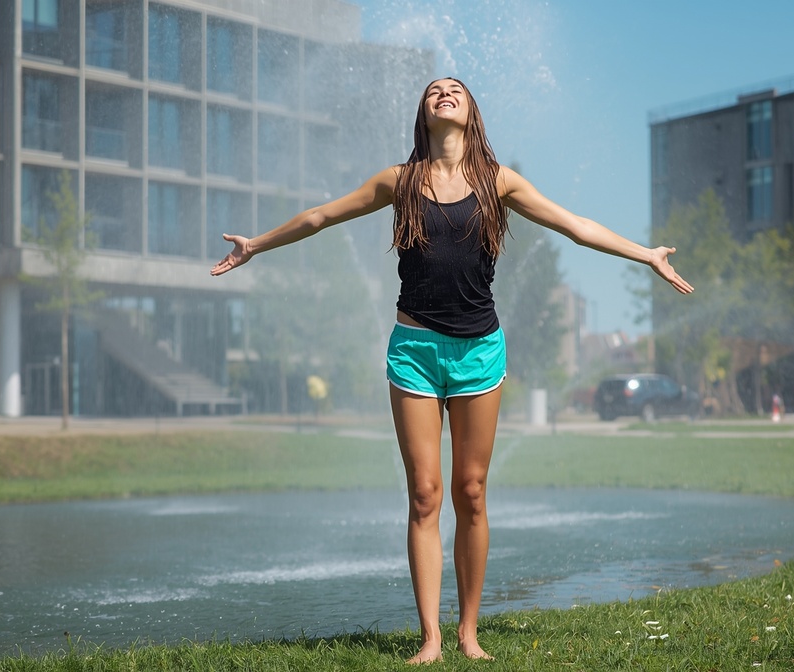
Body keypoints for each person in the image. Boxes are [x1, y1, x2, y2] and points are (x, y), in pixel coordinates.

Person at [210, 77, 694, 664]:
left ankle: (468, 631)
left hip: (479, 352)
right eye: (434, 89)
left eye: (455, 89)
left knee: (471, 491)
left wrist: (645, 254)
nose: (444, 93)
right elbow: (319, 217)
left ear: (470, 111)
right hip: (414, 348)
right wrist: (256, 245)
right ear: (423, 111)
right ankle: (431, 638)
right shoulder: (400, 180)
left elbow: (574, 224)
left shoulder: (498, 182)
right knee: (424, 494)